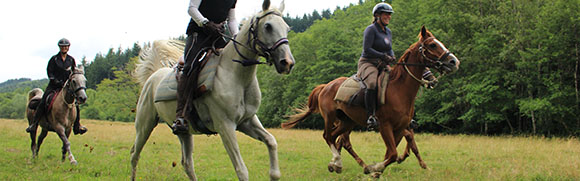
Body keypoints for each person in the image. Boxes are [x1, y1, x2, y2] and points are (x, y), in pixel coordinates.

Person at [172, 0, 239, 134]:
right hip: (198, 34)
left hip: (217, 36)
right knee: (190, 67)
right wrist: (205, 23)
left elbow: (231, 19)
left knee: (233, 63)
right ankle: (181, 116)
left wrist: (237, 37)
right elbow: (191, 9)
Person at [26, 38, 87, 135]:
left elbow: (73, 73)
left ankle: (77, 126)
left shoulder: (71, 60)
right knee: (43, 101)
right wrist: (56, 81)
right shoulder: (54, 59)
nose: (64, 48)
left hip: (66, 87)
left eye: (66, 46)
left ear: (68, 48)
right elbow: (49, 72)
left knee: (76, 106)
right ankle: (34, 124)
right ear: (60, 47)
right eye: (62, 46)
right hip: (54, 86)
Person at [357, 2, 396, 129]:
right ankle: (371, 116)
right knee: (373, 83)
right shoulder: (371, 29)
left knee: (397, 81)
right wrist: (383, 56)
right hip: (368, 63)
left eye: (390, 15)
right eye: (386, 14)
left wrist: (392, 56)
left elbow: (389, 48)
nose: (388, 17)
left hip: (382, 64)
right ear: (378, 15)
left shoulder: (388, 32)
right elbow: (367, 49)